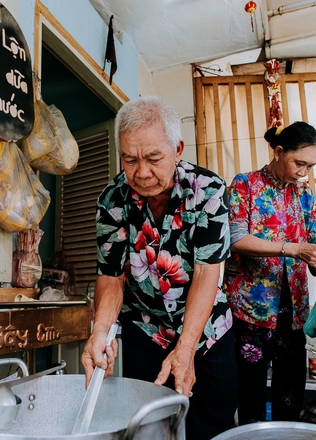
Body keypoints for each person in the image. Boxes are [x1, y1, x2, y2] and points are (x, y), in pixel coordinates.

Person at [80, 96, 238, 440]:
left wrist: (185, 349)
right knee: (149, 428)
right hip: (146, 332)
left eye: (153, 158)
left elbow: (206, 273)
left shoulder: (208, 191)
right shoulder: (112, 200)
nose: (141, 172)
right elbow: (111, 276)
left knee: (210, 425)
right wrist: (100, 331)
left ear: (177, 149)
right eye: (129, 159)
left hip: (206, 332)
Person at [223, 121, 316, 425]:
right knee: (251, 390)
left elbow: (314, 241)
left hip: (294, 308)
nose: (303, 172)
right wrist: (295, 249)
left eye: (310, 166)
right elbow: (237, 239)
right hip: (252, 309)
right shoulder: (245, 184)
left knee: (290, 390)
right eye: (299, 163)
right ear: (279, 151)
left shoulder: (305, 194)